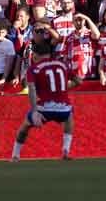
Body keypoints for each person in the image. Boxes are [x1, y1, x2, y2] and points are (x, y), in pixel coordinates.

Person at [11, 31, 76, 162]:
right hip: (63, 108)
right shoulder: (62, 65)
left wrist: (35, 110)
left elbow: (32, 90)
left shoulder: (34, 68)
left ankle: (15, 156)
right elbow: (79, 80)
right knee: (69, 117)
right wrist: (62, 87)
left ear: (35, 55)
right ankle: (65, 150)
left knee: (24, 128)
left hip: (44, 108)